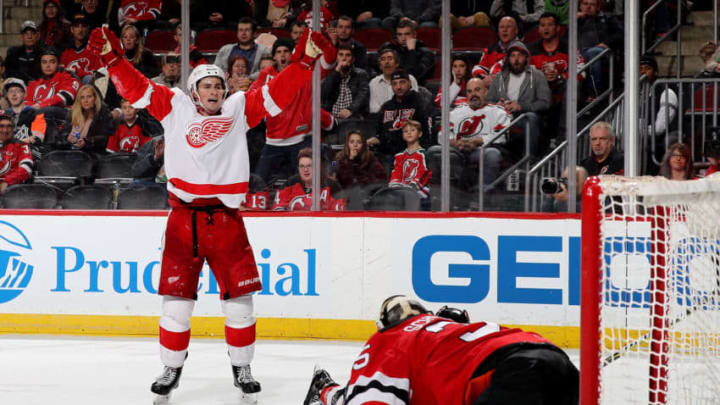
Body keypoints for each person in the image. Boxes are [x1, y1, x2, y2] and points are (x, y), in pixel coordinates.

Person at [86, 24, 333, 401]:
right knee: (176, 306)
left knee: (240, 306)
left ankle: (242, 369)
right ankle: (170, 369)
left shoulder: (238, 108)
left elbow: (278, 95)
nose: (215, 91)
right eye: (208, 86)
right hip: (184, 221)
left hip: (227, 220)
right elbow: (136, 88)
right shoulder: (175, 107)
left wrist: (303, 61)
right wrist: (114, 60)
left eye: (219, 85)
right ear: (194, 91)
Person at [303, 295, 579, 405]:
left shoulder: (390, 340)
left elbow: (370, 400)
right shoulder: (446, 328)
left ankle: (325, 389)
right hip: (557, 361)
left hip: (514, 374)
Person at [250, 37, 336, 183]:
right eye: (278, 52)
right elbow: (253, 100)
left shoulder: (305, 70)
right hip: (273, 141)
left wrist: (325, 44)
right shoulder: (266, 75)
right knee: (258, 180)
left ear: (293, 53)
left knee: (309, 181)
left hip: (300, 139)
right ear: (274, 56)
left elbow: (329, 62)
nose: (282, 55)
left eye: (286, 52)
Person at [433, 77, 512, 190]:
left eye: (477, 90)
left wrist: (477, 141)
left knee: (492, 154)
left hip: (481, 150)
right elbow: (442, 135)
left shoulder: (498, 111)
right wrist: (456, 143)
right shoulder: (456, 112)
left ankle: (483, 193)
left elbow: (502, 136)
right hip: (457, 150)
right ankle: (441, 194)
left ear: (485, 91)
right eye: (469, 91)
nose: (473, 94)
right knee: (434, 150)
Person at [486, 41, 551, 158]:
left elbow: (545, 103)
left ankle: (529, 160)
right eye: (513, 56)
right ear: (508, 58)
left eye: (520, 56)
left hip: (526, 117)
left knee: (530, 118)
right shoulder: (498, 77)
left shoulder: (537, 75)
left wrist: (521, 106)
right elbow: (488, 102)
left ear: (526, 57)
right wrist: (497, 105)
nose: (516, 59)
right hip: (503, 118)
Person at [528, 12, 585, 143]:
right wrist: (542, 78)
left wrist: (561, 76)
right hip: (539, 91)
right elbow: (524, 73)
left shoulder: (569, 48)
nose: (546, 28)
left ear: (558, 28)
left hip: (561, 89)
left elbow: (581, 70)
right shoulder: (530, 49)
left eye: (549, 25)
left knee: (573, 84)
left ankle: (564, 135)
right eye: (542, 25)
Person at [371, 69, 433, 160]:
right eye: (395, 84)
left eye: (402, 82)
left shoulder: (420, 103)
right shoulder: (386, 107)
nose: (398, 87)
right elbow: (379, 132)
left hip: (413, 152)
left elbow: (425, 134)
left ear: (409, 83)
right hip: (387, 153)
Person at [272, 147, 346, 211]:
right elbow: (278, 210)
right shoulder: (290, 184)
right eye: (302, 166)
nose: (305, 169)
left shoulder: (331, 186)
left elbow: (338, 214)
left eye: (309, 166)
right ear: (298, 168)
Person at [578, 0, 623, 95]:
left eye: (592, 4)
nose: (588, 7)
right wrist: (574, 22)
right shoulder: (575, 20)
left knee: (594, 52)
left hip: (603, 53)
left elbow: (621, 34)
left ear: (598, 7)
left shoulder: (608, 18)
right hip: (580, 54)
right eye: (585, 4)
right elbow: (564, 41)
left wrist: (606, 43)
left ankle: (594, 92)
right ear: (580, 6)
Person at [388, 120, 432, 207]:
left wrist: (413, 185)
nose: (409, 133)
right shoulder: (399, 156)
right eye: (406, 131)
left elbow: (423, 172)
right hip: (402, 191)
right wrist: (395, 185)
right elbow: (397, 172)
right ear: (403, 136)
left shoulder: (424, 154)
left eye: (412, 130)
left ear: (420, 134)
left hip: (420, 191)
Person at [378, 19, 435, 84]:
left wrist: (411, 51)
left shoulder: (426, 53)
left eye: (407, 34)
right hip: (389, 84)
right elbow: (381, 71)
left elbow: (414, 75)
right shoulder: (388, 48)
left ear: (414, 35)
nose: (403, 38)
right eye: (400, 34)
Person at [321, 44, 369, 120]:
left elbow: (362, 95)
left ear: (353, 59)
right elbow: (324, 93)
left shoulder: (361, 74)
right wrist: (337, 71)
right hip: (332, 118)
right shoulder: (330, 75)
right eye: (341, 55)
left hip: (353, 117)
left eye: (348, 55)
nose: (344, 58)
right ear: (337, 58)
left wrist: (350, 109)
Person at [63, 84, 114, 154]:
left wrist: (87, 141)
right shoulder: (73, 112)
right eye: (82, 97)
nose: (85, 100)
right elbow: (63, 133)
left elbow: (106, 138)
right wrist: (67, 137)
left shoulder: (103, 113)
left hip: (93, 154)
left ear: (95, 98)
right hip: (71, 151)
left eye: (89, 97)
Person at [3, 78, 49, 157]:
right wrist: (23, 140)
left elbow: (37, 138)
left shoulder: (36, 114)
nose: (13, 94)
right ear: (7, 95)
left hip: (28, 155)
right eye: (10, 91)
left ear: (25, 94)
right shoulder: (3, 116)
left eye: (17, 91)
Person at [471, 16, 521, 86]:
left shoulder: (523, 50)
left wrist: (494, 79)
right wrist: (483, 77)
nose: (504, 30)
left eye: (508, 26)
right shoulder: (490, 50)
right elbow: (479, 67)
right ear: (498, 31)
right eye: (501, 27)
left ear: (516, 30)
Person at [368, 48, 419, 114]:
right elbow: (373, 109)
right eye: (383, 59)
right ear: (380, 66)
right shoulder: (373, 83)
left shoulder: (410, 79)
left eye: (390, 58)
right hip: (382, 119)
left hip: (408, 118)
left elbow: (415, 103)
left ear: (397, 63)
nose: (387, 62)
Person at [61, 13, 101, 84]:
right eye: (77, 26)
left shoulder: (95, 50)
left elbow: (98, 74)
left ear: (88, 29)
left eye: (83, 26)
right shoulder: (65, 53)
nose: (80, 29)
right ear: (72, 29)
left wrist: (77, 72)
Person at [0, 113, 33, 193]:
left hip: (12, 190)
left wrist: (7, 181)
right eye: (1, 126)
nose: (5, 130)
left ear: (13, 129)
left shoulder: (21, 145)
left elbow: (27, 168)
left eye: (9, 126)